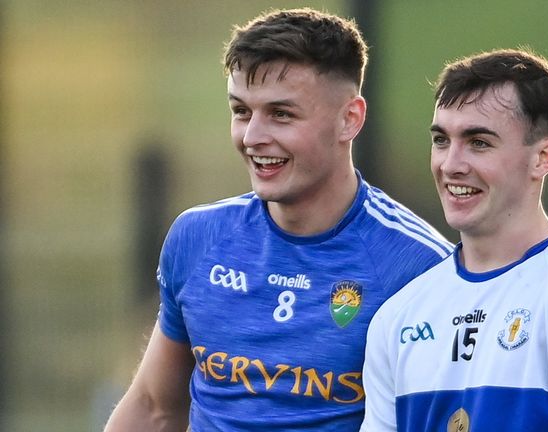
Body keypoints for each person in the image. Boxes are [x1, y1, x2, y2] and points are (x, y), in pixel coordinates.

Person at [104, 8, 452, 431]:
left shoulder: (418, 266)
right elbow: (154, 408)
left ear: (350, 119)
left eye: (281, 114)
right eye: (241, 111)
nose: (252, 137)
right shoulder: (198, 237)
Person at [361, 48, 548, 431]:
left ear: (543, 158)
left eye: (478, 142)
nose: (451, 164)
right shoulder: (399, 314)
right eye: (441, 140)